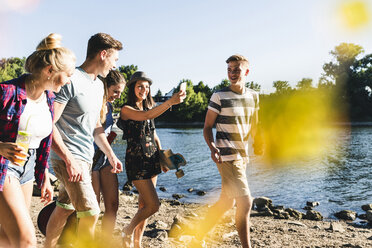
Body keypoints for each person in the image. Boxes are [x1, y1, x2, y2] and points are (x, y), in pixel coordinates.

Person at [44, 33, 123, 248]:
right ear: (103, 54)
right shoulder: (71, 79)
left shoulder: (99, 86)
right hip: (68, 158)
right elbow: (49, 123)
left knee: (64, 208)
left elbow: (96, 127)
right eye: (114, 60)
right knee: (91, 213)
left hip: (85, 159)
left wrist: (110, 153)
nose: (115, 66)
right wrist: (69, 160)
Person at [0, 33, 76, 248]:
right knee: (26, 240)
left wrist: (42, 177)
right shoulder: (6, 92)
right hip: (4, 166)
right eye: (67, 74)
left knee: (7, 236)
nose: (69, 81)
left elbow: (42, 140)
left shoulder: (49, 99)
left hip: (27, 167)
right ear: (50, 71)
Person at [192, 54, 259, 248]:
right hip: (226, 156)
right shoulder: (219, 96)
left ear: (246, 71)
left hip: (242, 156)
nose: (232, 73)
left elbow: (254, 126)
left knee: (226, 203)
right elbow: (207, 127)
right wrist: (212, 147)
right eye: (229, 69)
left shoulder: (254, 96)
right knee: (245, 202)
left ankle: (197, 238)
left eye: (236, 69)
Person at [120, 71, 186, 248]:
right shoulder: (127, 110)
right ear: (132, 88)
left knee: (144, 206)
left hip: (152, 160)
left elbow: (154, 135)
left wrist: (163, 158)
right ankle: (127, 230)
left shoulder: (148, 109)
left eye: (147, 87)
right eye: (140, 86)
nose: (144, 90)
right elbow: (146, 117)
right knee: (153, 205)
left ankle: (137, 243)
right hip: (137, 162)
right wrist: (170, 102)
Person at [91, 70, 125, 236]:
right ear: (105, 86)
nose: (118, 95)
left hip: (104, 158)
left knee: (113, 204)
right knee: (92, 207)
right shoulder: (92, 103)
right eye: (116, 91)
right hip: (90, 159)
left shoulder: (110, 107)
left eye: (120, 92)